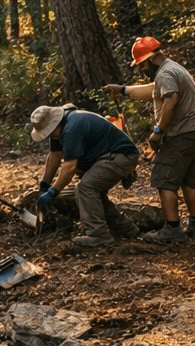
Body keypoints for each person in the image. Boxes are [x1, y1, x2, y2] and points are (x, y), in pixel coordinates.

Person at [104, 36, 195, 244]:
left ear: (148, 60)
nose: (141, 70)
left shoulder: (166, 73)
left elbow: (171, 99)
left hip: (182, 133)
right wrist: (122, 90)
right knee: (189, 180)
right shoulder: (172, 69)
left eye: (141, 66)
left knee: (164, 179)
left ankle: (172, 230)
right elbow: (154, 91)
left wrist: (159, 131)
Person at [30, 104, 142, 248]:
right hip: (105, 157)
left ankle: (99, 235)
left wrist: (53, 191)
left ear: (53, 124)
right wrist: (45, 183)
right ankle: (125, 228)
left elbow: (70, 167)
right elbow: (54, 156)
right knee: (93, 194)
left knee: (85, 188)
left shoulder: (71, 129)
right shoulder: (59, 129)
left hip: (121, 156)